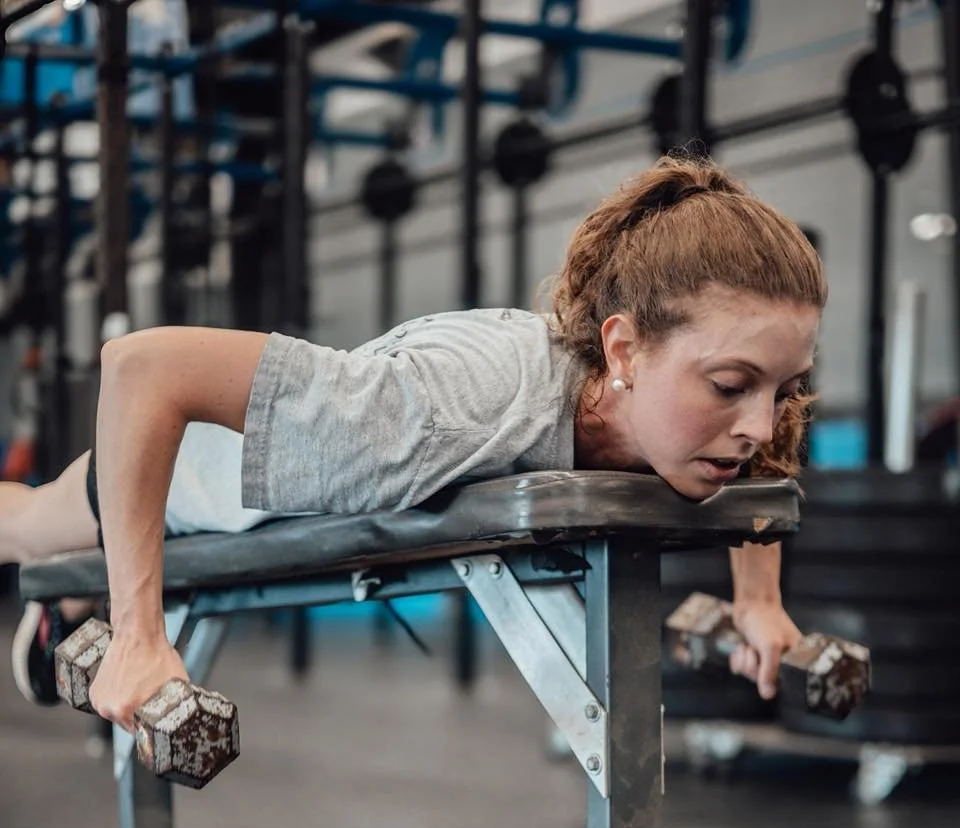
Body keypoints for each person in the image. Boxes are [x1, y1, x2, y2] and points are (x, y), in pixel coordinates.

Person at [4, 154, 823, 730]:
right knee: (30, 526)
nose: (756, 422)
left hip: (286, 470)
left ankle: (72, 601)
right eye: (727, 387)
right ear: (623, 351)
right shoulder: (439, 405)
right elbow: (143, 369)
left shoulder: (681, 402)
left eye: (781, 387)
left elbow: (767, 444)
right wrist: (141, 638)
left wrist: (758, 600)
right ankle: (74, 595)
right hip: (190, 471)